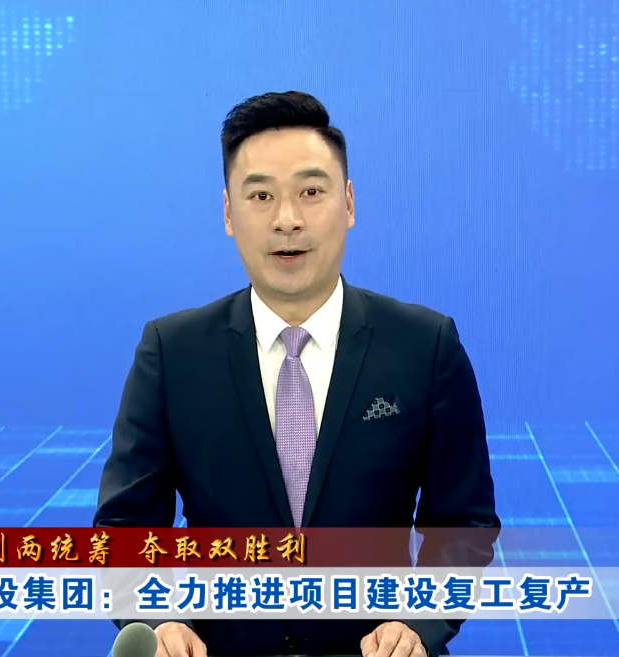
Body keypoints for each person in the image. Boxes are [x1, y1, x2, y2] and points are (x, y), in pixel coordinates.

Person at [94, 91, 499, 657]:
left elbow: (465, 524)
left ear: (349, 202)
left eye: (311, 191)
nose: (287, 219)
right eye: (261, 196)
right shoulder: (172, 352)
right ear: (229, 213)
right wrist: (158, 619)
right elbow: (124, 529)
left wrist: (418, 623)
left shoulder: (425, 345)